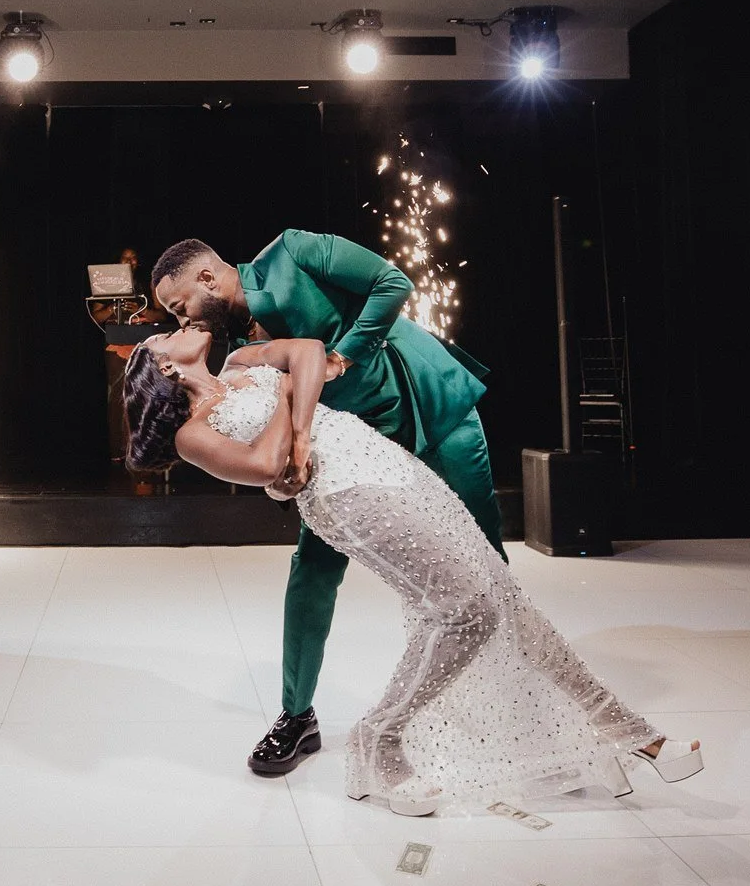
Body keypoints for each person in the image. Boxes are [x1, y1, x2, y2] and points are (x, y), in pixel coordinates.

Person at [121, 325, 702, 813]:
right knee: (463, 610)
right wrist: (289, 406)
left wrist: (294, 428)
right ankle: (382, 738)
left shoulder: (243, 360)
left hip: (390, 468)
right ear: (163, 369)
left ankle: (633, 733)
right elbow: (266, 465)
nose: (177, 326)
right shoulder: (194, 433)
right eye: (162, 336)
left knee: (507, 602)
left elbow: (312, 357)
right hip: (347, 497)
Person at [151, 232, 501, 776]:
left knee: (486, 561)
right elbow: (262, 439)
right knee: (311, 573)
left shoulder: (292, 252)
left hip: (432, 410)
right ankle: (296, 716)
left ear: (207, 279)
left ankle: (502, 702)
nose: (181, 323)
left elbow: (393, 283)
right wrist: (277, 477)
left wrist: (342, 357)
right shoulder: (235, 348)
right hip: (356, 457)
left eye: (180, 308)